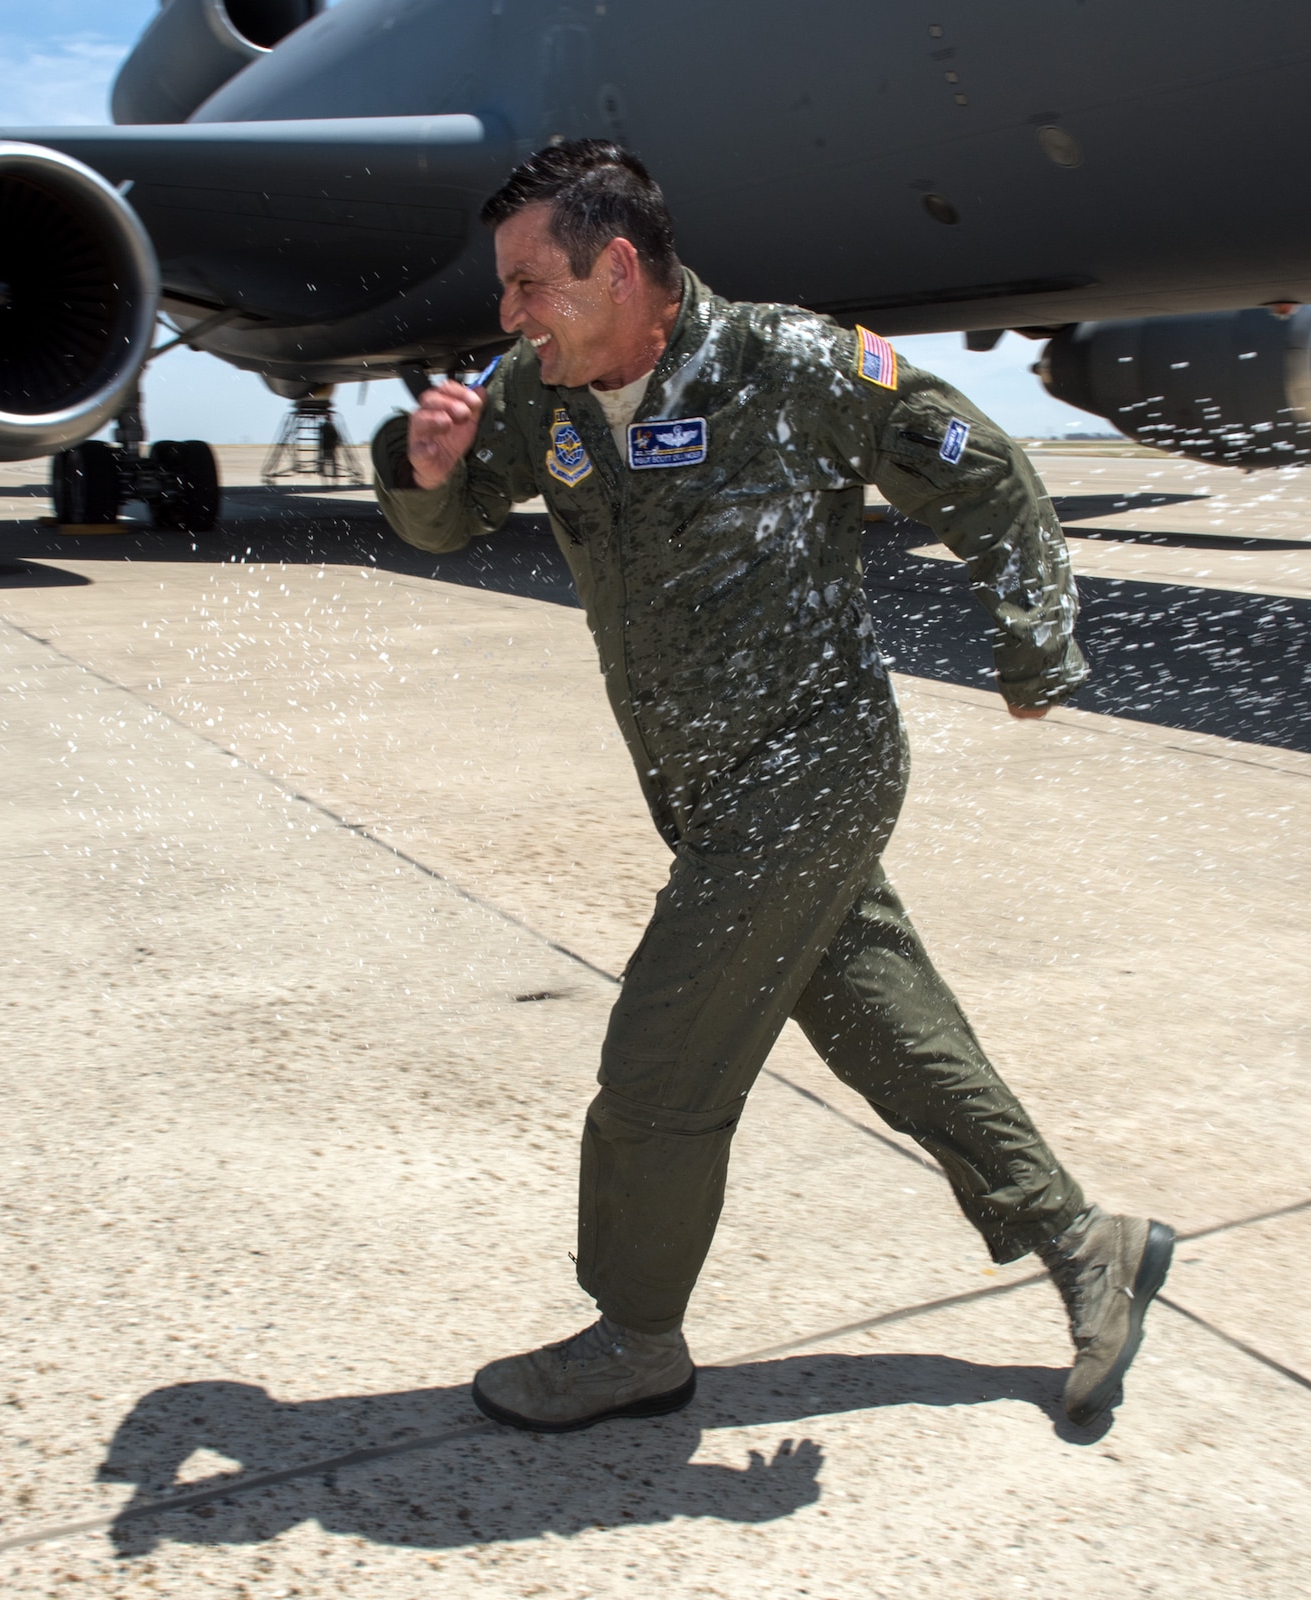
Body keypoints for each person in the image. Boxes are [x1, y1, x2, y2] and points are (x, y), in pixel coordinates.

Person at [372, 140, 1172, 1434]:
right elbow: (448, 522)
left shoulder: (794, 367)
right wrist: (421, 472)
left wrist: (1036, 641)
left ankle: (636, 1338)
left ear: (619, 265)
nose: (509, 314)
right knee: (890, 1037)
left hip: (817, 768)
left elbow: (980, 467)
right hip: (704, 792)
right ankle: (1089, 1246)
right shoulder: (541, 393)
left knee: (660, 1066)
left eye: (530, 283)